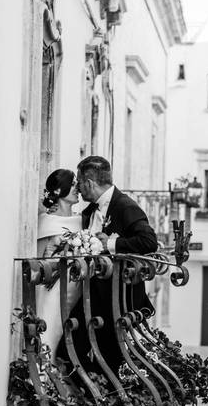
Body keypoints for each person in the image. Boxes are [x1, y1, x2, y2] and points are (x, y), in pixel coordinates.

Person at [56, 155, 157, 373]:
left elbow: (149, 241)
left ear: (89, 183)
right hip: (91, 295)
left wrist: (110, 243)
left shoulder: (125, 206)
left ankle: (109, 400)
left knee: (109, 356)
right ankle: (91, 398)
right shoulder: (89, 211)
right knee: (71, 348)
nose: (79, 189)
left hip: (116, 299)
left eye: (80, 183)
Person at [36, 169, 82, 353]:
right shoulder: (47, 221)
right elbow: (37, 261)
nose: (77, 188)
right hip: (53, 288)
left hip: (77, 286)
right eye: (72, 184)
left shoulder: (81, 219)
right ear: (58, 191)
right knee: (51, 331)